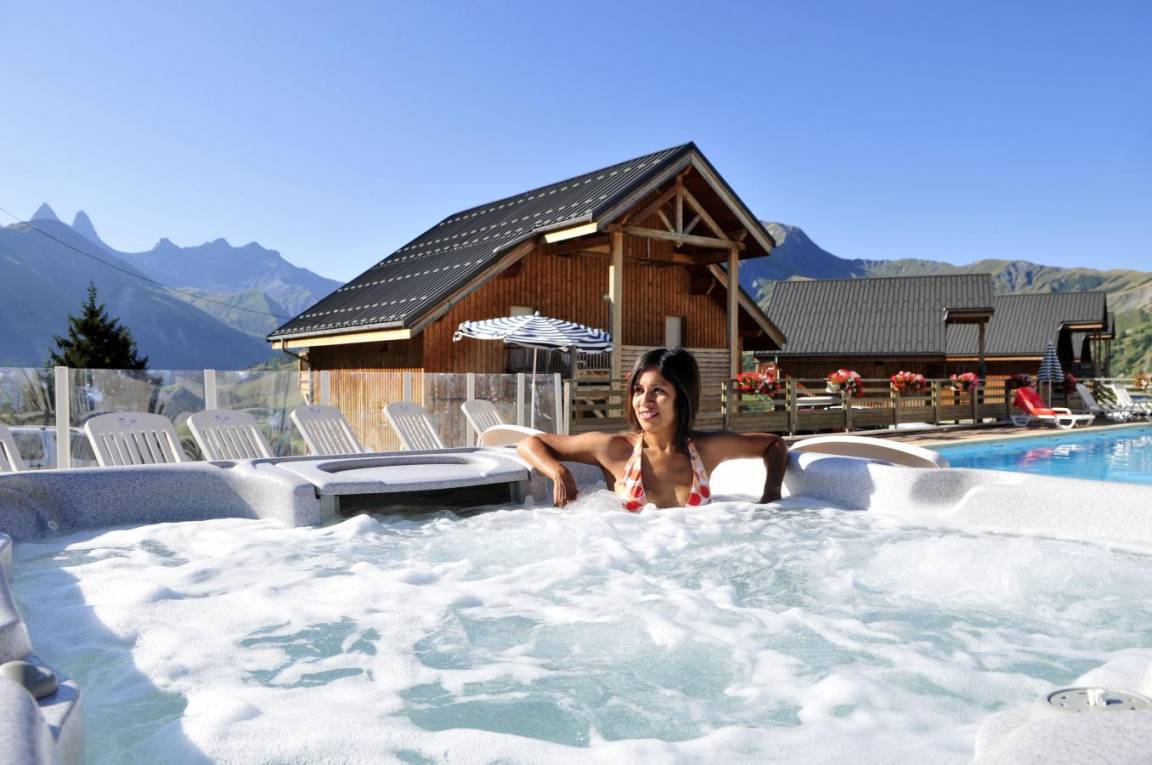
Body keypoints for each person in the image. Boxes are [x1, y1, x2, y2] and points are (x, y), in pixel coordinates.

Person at [517, 347, 788, 510]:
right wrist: (559, 473)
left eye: (657, 391)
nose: (644, 401)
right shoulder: (615, 449)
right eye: (638, 390)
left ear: (682, 397)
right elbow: (530, 443)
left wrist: (771, 496)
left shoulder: (706, 449)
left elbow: (774, 444)